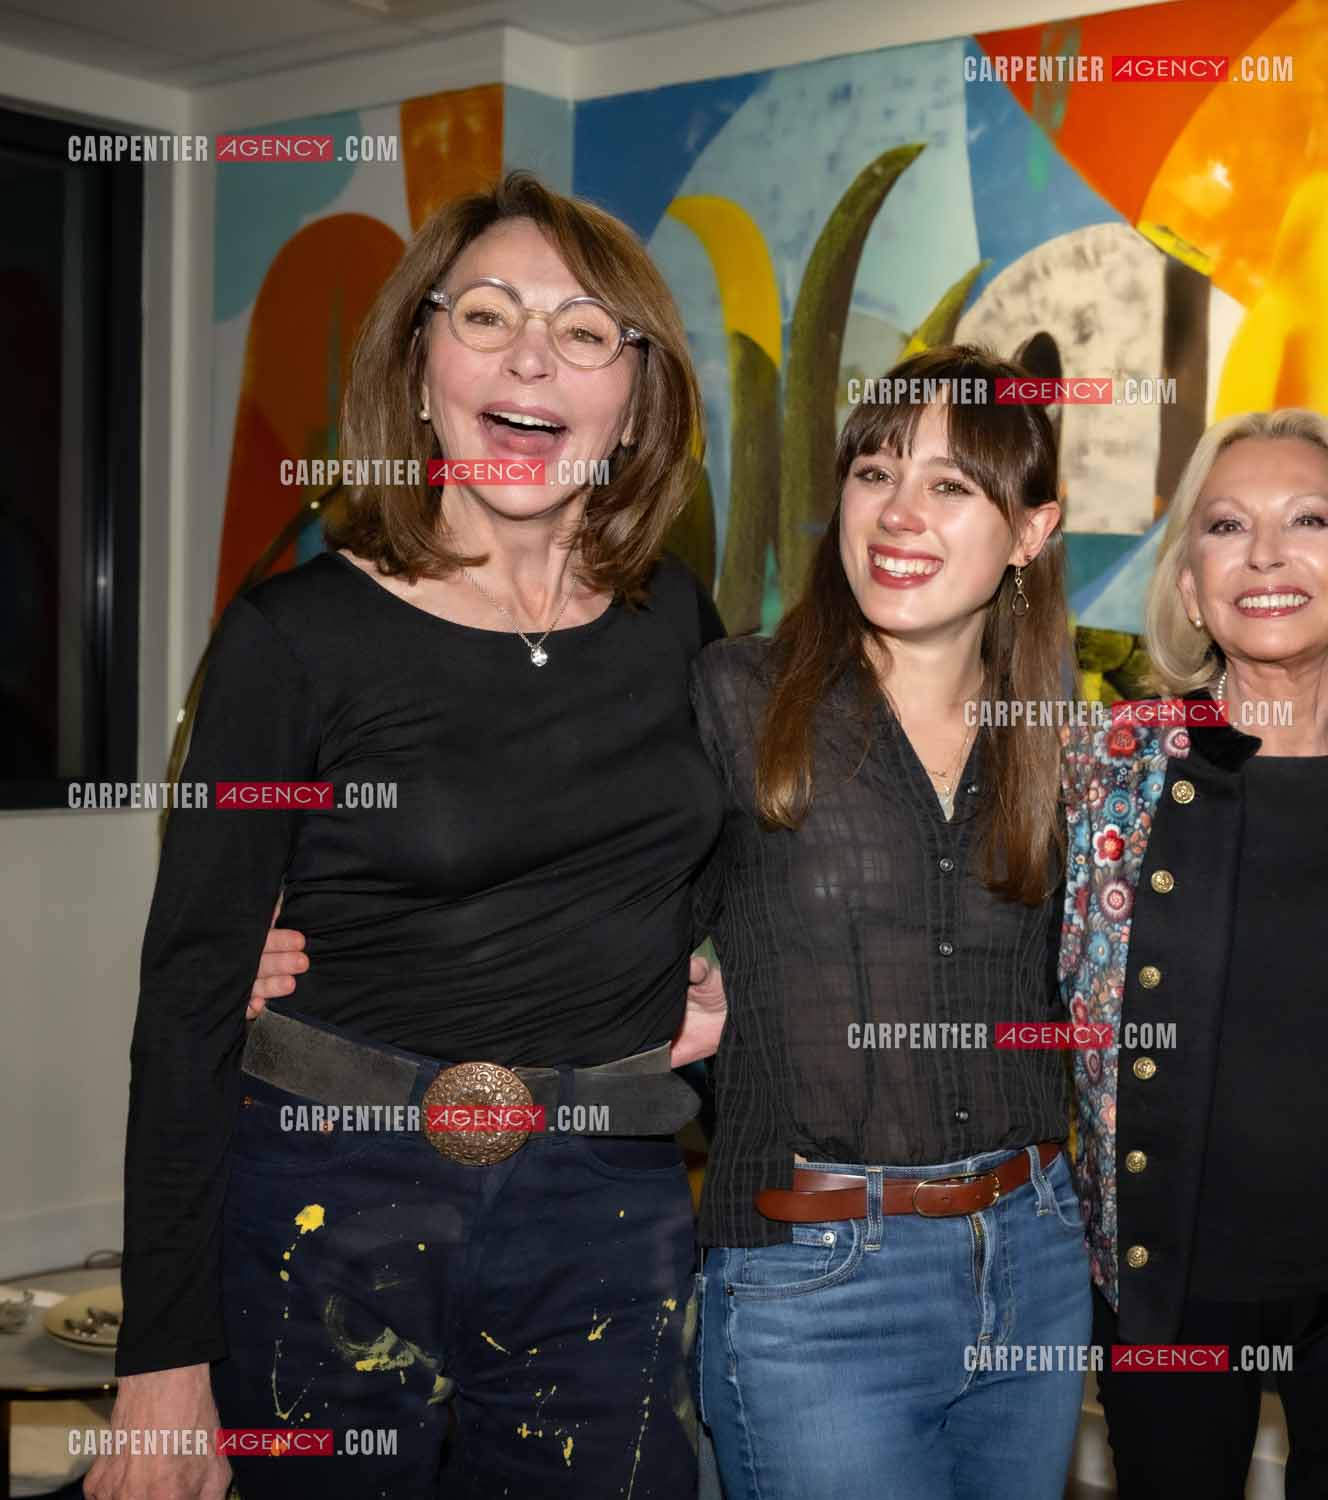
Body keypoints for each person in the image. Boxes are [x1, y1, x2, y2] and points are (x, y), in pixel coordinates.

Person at [95, 171, 726, 1500]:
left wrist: (702, 965)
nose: (530, 357)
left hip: (604, 1199)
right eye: (486, 314)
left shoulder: (674, 621)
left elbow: (707, 859)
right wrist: (161, 1365)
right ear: (421, 361)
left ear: (634, 393)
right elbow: (191, 1002)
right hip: (332, 1202)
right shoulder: (295, 640)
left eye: (582, 330)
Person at [689, 344, 1088, 1498]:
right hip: (815, 1282)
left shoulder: (1055, 736)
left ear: (1030, 530)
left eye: (952, 485)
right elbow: (578, 883)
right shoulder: (736, 696)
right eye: (874, 471)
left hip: (1035, 1259)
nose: (898, 512)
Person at [1062, 408, 1328, 1497]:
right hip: (1169, 1284)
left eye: (1309, 520)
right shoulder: (1106, 773)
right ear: (1190, 586)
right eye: (1227, 526)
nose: (1268, 554)